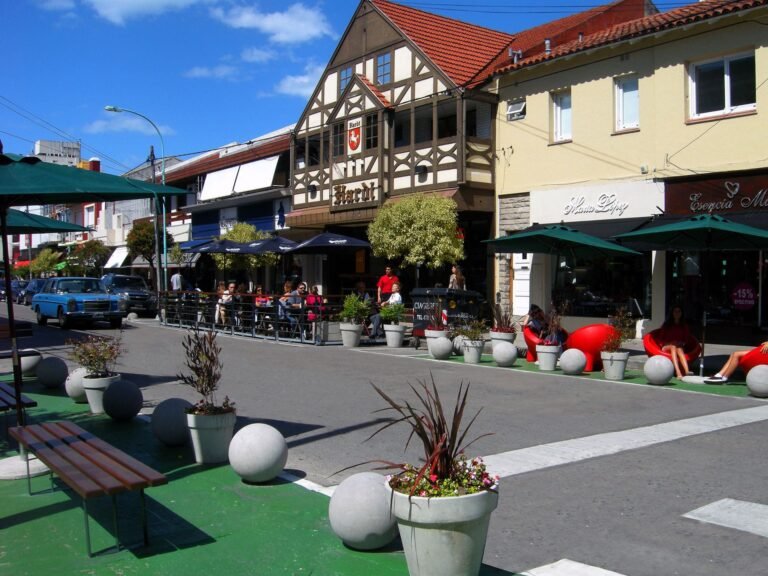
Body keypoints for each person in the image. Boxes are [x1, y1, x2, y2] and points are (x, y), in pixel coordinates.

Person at [656, 305, 693, 379]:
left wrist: (681, 343)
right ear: (672, 313)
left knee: (678, 348)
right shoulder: (666, 325)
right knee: (673, 346)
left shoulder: (684, 325)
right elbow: (660, 340)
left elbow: (686, 340)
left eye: (679, 311)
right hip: (666, 346)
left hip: (679, 347)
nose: (677, 313)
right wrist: (671, 343)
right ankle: (678, 371)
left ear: (681, 313)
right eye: (675, 311)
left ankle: (687, 371)